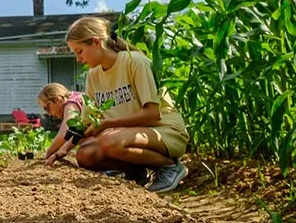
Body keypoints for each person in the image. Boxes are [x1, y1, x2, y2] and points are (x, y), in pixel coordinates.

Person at [65, 16, 190, 192]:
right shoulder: (93, 76)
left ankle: (169, 166)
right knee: (85, 154)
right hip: (129, 135)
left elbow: (153, 114)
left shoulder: (135, 62)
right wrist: (62, 150)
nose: (78, 59)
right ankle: (136, 172)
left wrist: (108, 124)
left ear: (95, 42)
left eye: (79, 51)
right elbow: (86, 121)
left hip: (163, 131)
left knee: (108, 140)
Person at [38, 82, 85, 166]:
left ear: (57, 99)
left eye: (47, 107)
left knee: (83, 154)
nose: (48, 113)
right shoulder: (75, 96)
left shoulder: (70, 105)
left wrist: (48, 153)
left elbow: (66, 132)